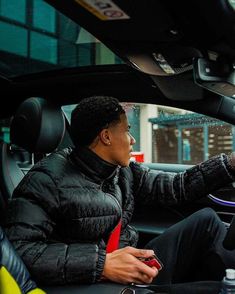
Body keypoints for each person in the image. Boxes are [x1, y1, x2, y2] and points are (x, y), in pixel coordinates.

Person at [4, 96, 235, 287]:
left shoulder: (122, 172)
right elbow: (21, 251)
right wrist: (102, 264)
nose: (132, 139)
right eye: (127, 131)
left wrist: (230, 164)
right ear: (106, 137)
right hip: (94, 280)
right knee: (217, 290)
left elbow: (178, 187)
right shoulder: (45, 181)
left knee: (207, 221)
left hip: (128, 260)